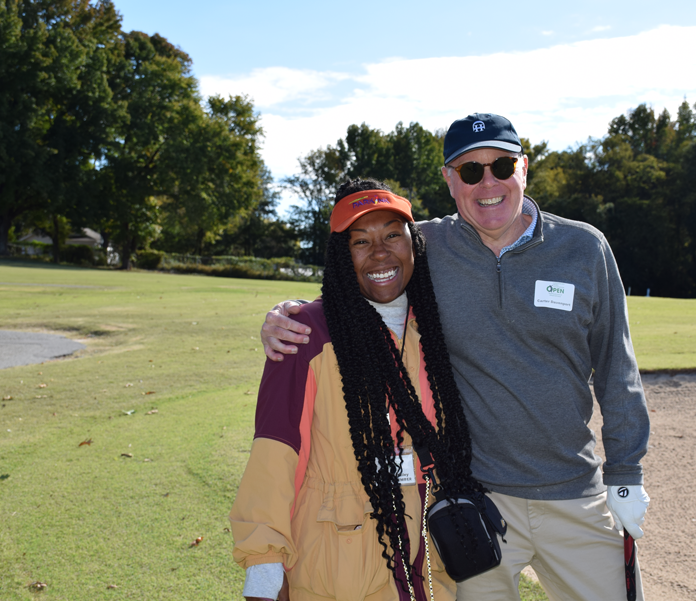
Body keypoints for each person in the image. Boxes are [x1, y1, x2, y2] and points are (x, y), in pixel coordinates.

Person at [261, 114, 651, 601]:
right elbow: (363, 269)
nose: (488, 183)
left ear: (523, 169)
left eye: (501, 166)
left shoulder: (584, 247)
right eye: (470, 171)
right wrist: (287, 314)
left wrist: (626, 473)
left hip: (575, 494)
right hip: (474, 504)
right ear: (450, 180)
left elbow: (618, 369)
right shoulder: (424, 246)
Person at [231, 179, 488, 601]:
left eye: (391, 235)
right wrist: (263, 570)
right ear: (340, 254)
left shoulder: (434, 332)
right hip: (335, 567)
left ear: (413, 244)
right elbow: (274, 455)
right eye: (360, 241)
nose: (380, 252)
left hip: (427, 564)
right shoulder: (305, 335)